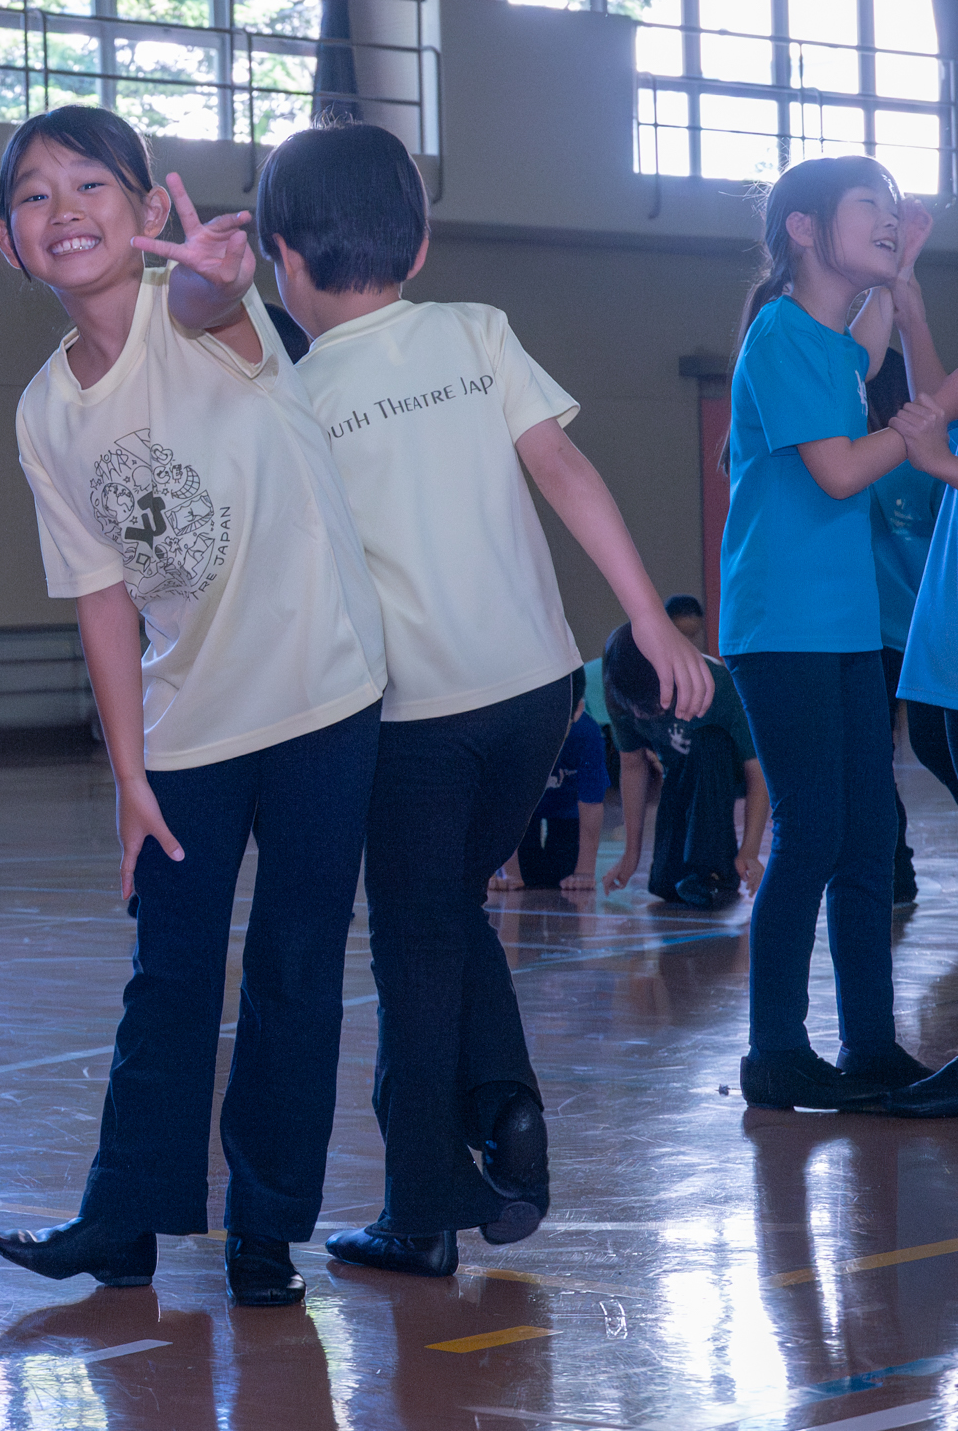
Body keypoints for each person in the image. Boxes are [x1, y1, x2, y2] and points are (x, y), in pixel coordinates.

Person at [257, 119, 712, 1278]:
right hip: (540, 692)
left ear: (280, 259)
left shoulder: (294, 397)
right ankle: (502, 1110)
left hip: (414, 718)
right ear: (418, 248)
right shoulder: (476, 329)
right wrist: (649, 616)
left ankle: (424, 1209)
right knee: (450, 910)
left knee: (412, 944)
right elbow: (564, 469)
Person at [0, 106, 387, 1308]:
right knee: (168, 972)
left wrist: (214, 278)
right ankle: (124, 1219)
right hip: (191, 716)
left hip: (321, 689)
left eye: (91, 185)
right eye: (35, 195)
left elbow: (210, 307)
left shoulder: (209, 315)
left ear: (150, 208)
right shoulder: (44, 411)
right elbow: (102, 600)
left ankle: (266, 1231)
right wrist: (129, 773)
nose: (64, 210)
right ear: (9, 243)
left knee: (296, 964)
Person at [719, 156, 936, 1113]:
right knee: (811, 833)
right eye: (869, 207)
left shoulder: (834, 342)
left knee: (864, 831)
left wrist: (900, 277)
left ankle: (870, 1047)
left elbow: (875, 338)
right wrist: (933, 412)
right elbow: (844, 472)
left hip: (845, 625)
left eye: (894, 207)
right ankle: (774, 1051)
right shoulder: (778, 335)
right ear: (805, 228)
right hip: (783, 624)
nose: (888, 217)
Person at [887, 331, 958, 1116]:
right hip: (943, 652)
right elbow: (935, 404)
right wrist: (904, 293)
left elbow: (934, 439)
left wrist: (941, 463)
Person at [600, 623, 767, 908]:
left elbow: (757, 770)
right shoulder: (621, 698)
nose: (643, 715)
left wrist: (750, 849)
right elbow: (633, 767)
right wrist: (631, 854)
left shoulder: (717, 685)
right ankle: (693, 873)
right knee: (666, 885)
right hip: (679, 771)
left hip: (725, 770)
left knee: (708, 743)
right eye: (637, 711)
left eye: (653, 706)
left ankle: (712, 871)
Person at [863, 351, 943, 908]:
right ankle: (895, 874)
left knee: (915, 748)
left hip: (906, 631)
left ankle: (895, 873)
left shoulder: (916, 460)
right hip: (877, 632)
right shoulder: (863, 455)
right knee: (876, 759)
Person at [491, 670, 608, 891]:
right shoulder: (510, 732)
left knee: (559, 875)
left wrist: (584, 872)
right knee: (526, 875)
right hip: (523, 810)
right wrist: (510, 873)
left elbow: (591, 804)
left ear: (577, 711)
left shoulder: (586, 733)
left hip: (565, 806)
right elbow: (502, 804)